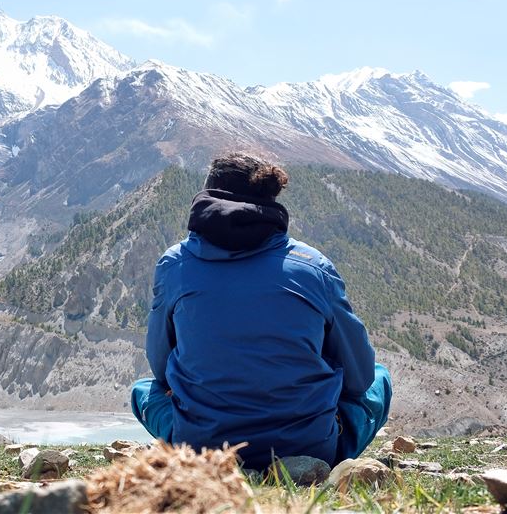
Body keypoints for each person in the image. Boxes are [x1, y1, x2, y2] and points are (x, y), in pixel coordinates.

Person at [130, 152, 392, 470]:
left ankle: (211, 462)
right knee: (381, 377)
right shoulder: (314, 266)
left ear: (207, 194)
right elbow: (361, 376)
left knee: (143, 389)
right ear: (271, 200)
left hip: (205, 450)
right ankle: (307, 464)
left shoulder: (174, 265)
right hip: (309, 445)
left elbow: (160, 367)